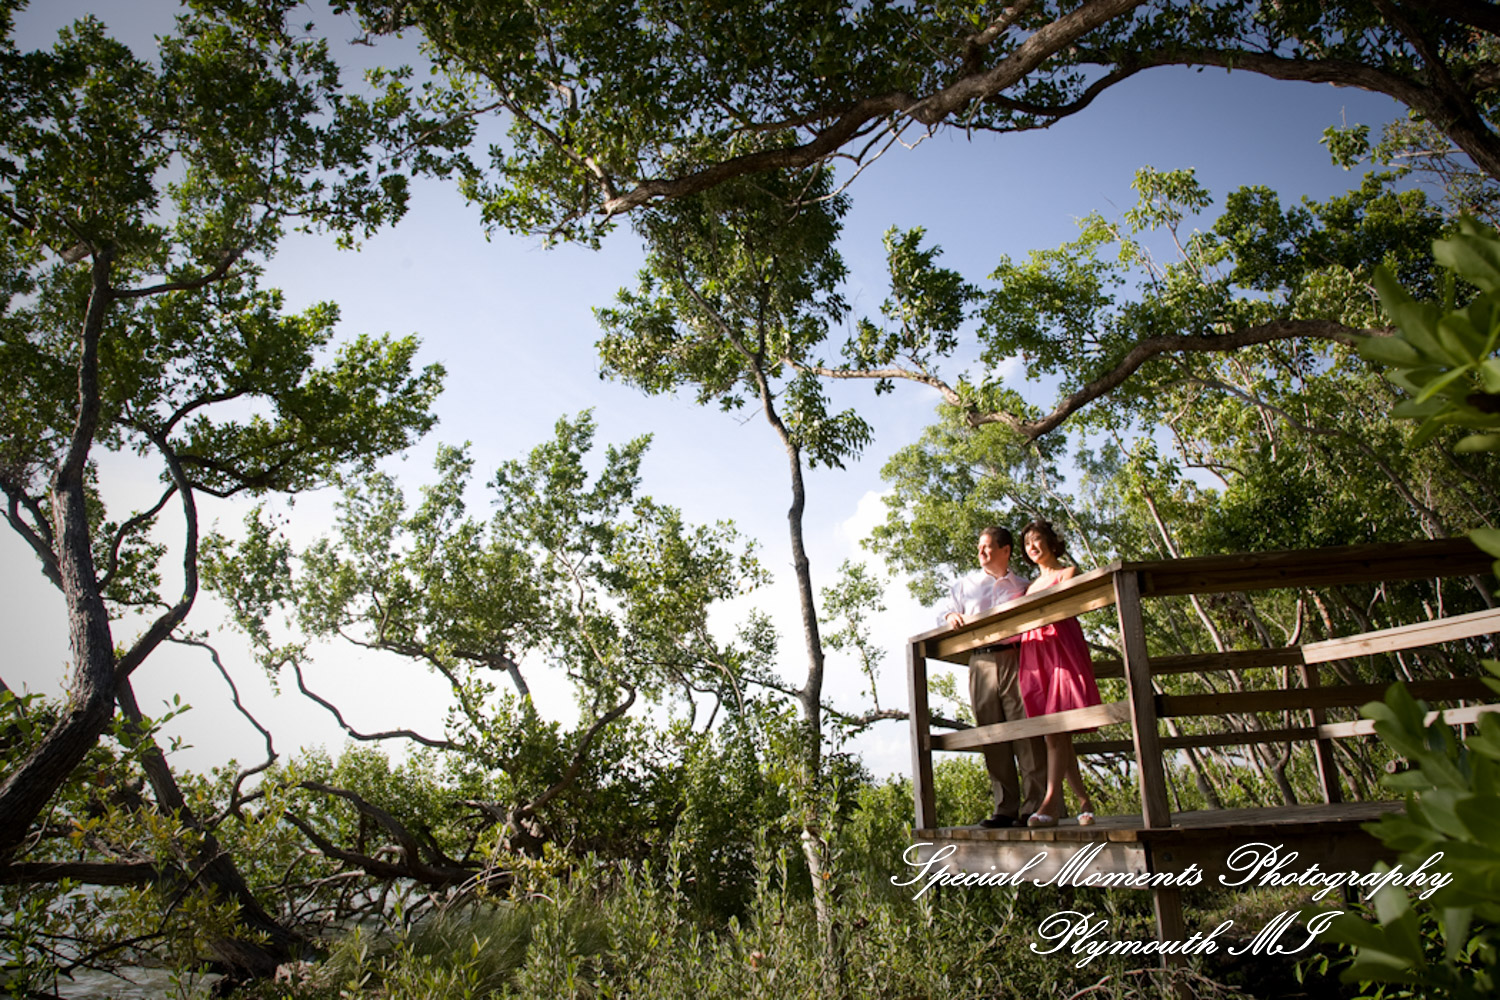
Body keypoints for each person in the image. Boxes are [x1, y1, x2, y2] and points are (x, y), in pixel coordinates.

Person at [937, 526, 1047, 828]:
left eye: (987, 547)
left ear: (1006, 550)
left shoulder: (1023, 585)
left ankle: (1034, 807)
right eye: (979, 547)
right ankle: (1005, 808)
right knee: (991, 734)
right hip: (980, 662)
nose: (981, 552)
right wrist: (950, 617)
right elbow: (945, 611)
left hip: (1017, 658)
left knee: (1026, 731)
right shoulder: (966, 585)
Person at [1015, 519, 1100, 829]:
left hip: (1062, 647)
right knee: (1055, 730)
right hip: (1035, 651)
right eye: (1027, 544)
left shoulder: (1068, 573)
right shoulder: (1029, 586)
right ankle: (1083, 801)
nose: (1032, 547)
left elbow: (1073, 606)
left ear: (1051, 542)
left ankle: (1050, 801)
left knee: (1058, 727)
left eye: (1037, 540)